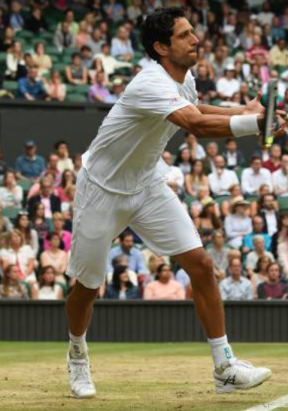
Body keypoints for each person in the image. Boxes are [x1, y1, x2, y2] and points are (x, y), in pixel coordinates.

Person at [63, 8, 273, 399]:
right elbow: (194, 124)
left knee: (202, 265)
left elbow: (200, 110)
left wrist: (246, 111)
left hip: (147, 185)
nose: (195, 39)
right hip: (101, 191)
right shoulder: (149, 84)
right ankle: (77, 354)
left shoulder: (185, 78)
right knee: (88, 287)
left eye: (193, 32)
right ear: (161, 47)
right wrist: (254, 124)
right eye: (184, 35)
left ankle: (224, 367)